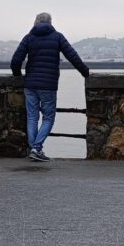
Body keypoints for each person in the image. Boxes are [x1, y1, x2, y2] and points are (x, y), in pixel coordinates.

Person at [11, 12, 89, 162]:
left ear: (36, 21)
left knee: (32, 117)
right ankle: (36, 148)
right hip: (48, 85)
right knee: (48, 118)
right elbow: (73, 57)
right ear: (50, 22)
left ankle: (34, 149)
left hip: (30, 84)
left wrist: (17, 76)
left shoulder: (29, 37)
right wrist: (86, 73)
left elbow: (16, 60)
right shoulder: (57, 37)